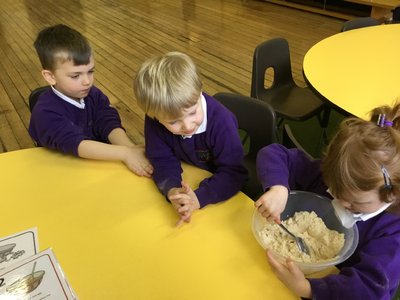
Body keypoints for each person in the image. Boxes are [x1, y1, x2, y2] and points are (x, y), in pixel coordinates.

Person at [255, 104, 400, 299]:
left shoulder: (392, 232)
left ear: (392, 194)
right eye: (334, 191)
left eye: (354, 202)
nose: (340, 202)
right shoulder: (328, 177)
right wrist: (278, 187)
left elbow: (369, 290)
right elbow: (274, 153)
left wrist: (307, 289)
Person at [133, 51, 247, 226]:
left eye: (193, 112)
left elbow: (234, 173)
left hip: (221, 193)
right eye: (173, 122)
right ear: (154, 115)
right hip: (192, 178)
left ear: (199, 91)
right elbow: (162, 160)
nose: (187, 125)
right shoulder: (155, 119)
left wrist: (199, 197)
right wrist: (172, 190)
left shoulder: (221, 122)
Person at [29, 24, 153, 177]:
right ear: (50, 76)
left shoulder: (92, 93)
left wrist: (129, 148)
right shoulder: (45, 112)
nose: (87, 81)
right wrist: (125, 153)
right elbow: (75, 143)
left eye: (90, 71)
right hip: (63, 172)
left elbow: (107, 120)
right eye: (76, 76)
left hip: (99, 165)